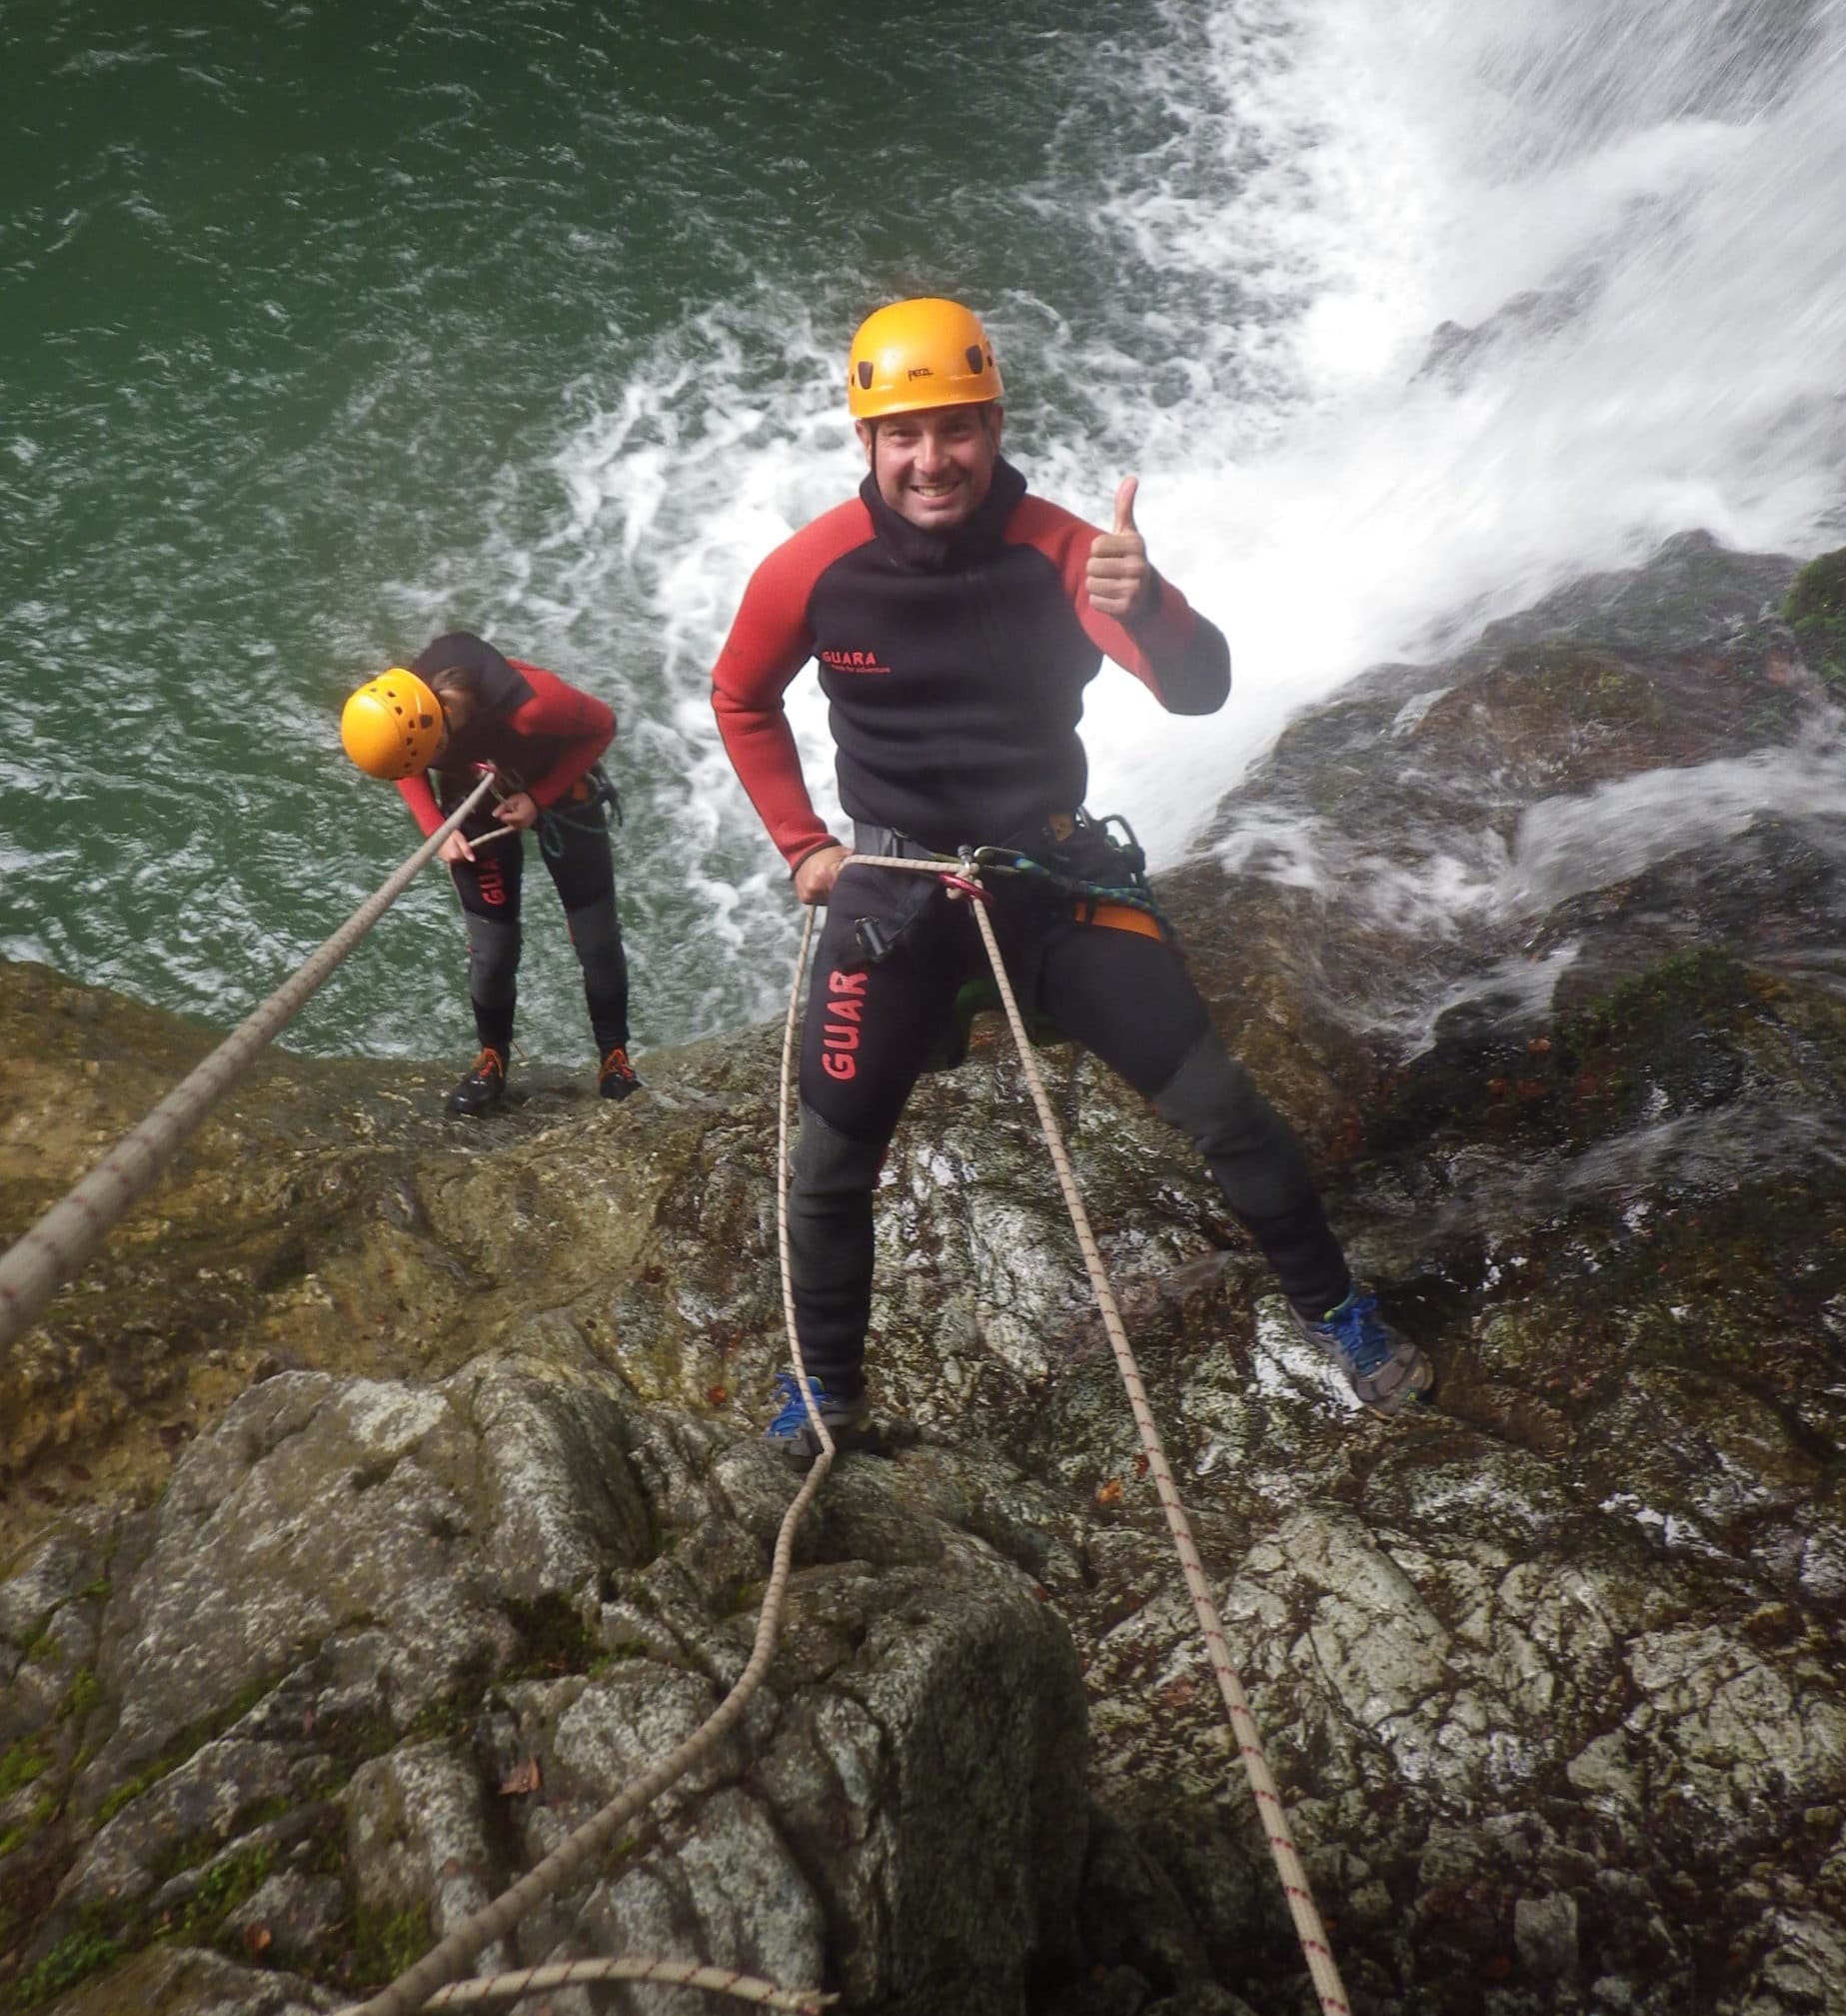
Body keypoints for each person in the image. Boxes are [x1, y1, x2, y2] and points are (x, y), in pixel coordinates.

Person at [710, 297, 1432, 1456]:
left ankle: (1337, 1310)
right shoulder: (812, 571)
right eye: (904, 435)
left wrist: (1152, 603)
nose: (932, 459)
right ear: (867, 442)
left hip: (1046, 878)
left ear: (994, 426)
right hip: (895, 886)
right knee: (829, 1159)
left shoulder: (1065, 556)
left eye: (956, 428)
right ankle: (826, 1387)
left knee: (1222, 1107)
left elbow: (1198, 689)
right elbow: (741, 696)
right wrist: (803, 843)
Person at [340, 633, 641, 1114]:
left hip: (560, 787)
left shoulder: (533, 708)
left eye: (427, 753)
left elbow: (603, 725)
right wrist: (436, 829)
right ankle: (492, 1060)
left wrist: (539, 797)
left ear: (438, 725)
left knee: (595, 936)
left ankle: (614, 1058)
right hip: (475, 795)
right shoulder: (404, 709)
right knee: (492, 949)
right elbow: (406, 764)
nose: (420, 764)